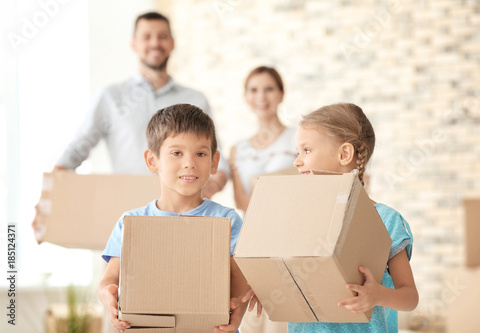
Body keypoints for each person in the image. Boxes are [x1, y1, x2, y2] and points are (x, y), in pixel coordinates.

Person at [32, 12, 227, 239]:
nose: (155, 43)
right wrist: (48, 200)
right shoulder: (111, 98)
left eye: (162, 36)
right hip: (125, 223)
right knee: (117, 275)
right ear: (134, 44)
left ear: (172, 43)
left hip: (185, 222)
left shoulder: (196, 100)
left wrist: (207, 186)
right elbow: (75, 152)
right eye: (147, 37)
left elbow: (217, 158)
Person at [244, 103, 419, 333]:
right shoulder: (298, 218)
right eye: (298, 152)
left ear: (344, 154)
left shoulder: (385, 220)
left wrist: (378, 295)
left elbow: (410, 297)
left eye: (306, 150)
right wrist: (267, 285)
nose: (297, 161)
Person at [97, 104, 249, 333]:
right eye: (177, 153)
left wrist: (237, 315)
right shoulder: (131, 222)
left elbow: (241, 284)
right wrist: (108, 298)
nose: (189, 163)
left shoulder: (226, 220)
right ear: (152, 160)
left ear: (214, 162)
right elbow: (109, 280)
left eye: (200, 153)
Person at [230, 66, 296, 213]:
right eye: (253, 90)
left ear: (282, 94)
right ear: (245, 97)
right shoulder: (238, 150)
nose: (261, 97)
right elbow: (241, 202)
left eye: (269, 89)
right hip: (252, 231)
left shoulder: (298, 138)